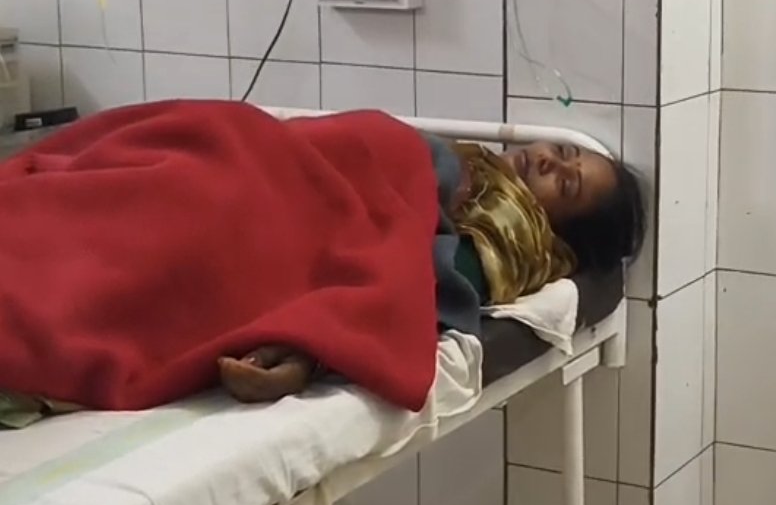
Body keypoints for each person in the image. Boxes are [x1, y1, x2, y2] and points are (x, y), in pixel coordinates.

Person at [219, 137, 647, 402]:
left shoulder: (498, 244)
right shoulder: (464, 163)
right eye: (563, 151)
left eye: (566, 185)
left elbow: (402, 293)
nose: (548, 161)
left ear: (556, 235)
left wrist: (310, 354)